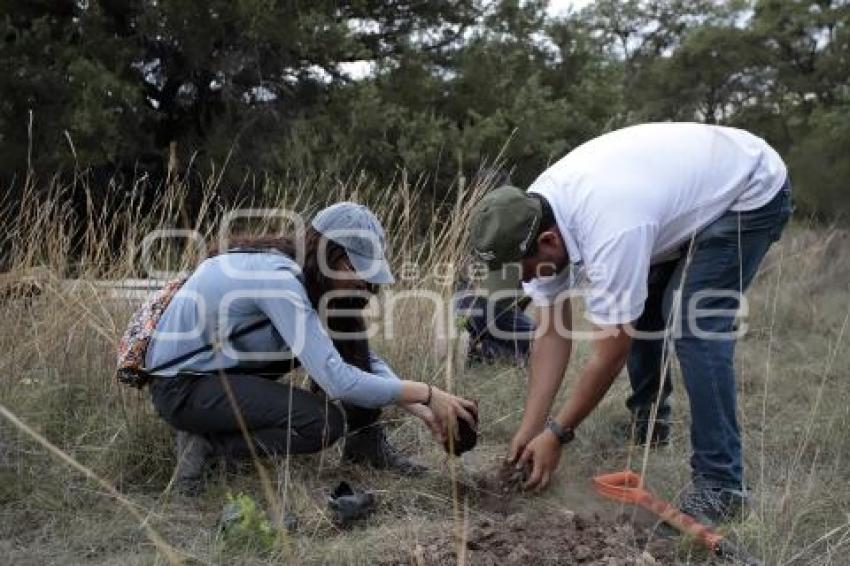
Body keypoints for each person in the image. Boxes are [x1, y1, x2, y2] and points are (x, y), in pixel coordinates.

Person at [468, 122, 792, 525]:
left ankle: (722, 486)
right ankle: (650, 424)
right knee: (640, 309)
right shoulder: (531, 215)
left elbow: (609, 354)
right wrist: (531, 428)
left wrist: (558, 434)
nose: (528, 282)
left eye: (526, 271)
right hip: (671, 199)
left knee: (694, 326)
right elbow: (551, 333)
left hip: (748, 190)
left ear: (549, 241)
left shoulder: (611, 229)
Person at [145, 202, 477, 493]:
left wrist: (420, 407)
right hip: (181, 387)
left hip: (212, 378)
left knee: (341, 348)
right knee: (323, 424)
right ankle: (208, 445)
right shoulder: (279, 280)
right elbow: (338, 380)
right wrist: (428, 392)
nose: (363, 283)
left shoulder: (296, 272)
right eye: (354, 269)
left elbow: (355, 359)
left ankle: (215, 435)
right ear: (328, 254)